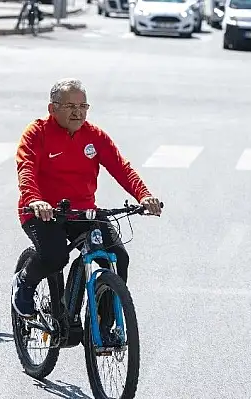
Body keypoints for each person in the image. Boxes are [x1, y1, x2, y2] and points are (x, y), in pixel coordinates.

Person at [11, 78, 162, 338]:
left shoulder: (94, 136)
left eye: (83, 106)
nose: (77, 112)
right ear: (52, 108)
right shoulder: (37, 132)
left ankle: (104, 325)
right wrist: (35, 199)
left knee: (116, 255)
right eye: (70, 105)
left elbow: (121, 167)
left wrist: (144, 195)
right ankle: (24, 283)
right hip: (42, 212)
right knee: (55, 256)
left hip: (83, 212)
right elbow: (26, 170)